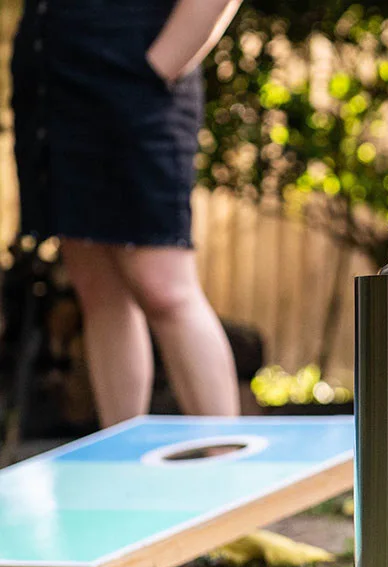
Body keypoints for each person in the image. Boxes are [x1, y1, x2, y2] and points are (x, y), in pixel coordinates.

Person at [10, 0, 243, 427]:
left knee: (165, 288)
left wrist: (157, 66)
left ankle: (229, 469)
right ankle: (121, 461)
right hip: (55, 82)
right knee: (96, 287)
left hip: (137, 78)